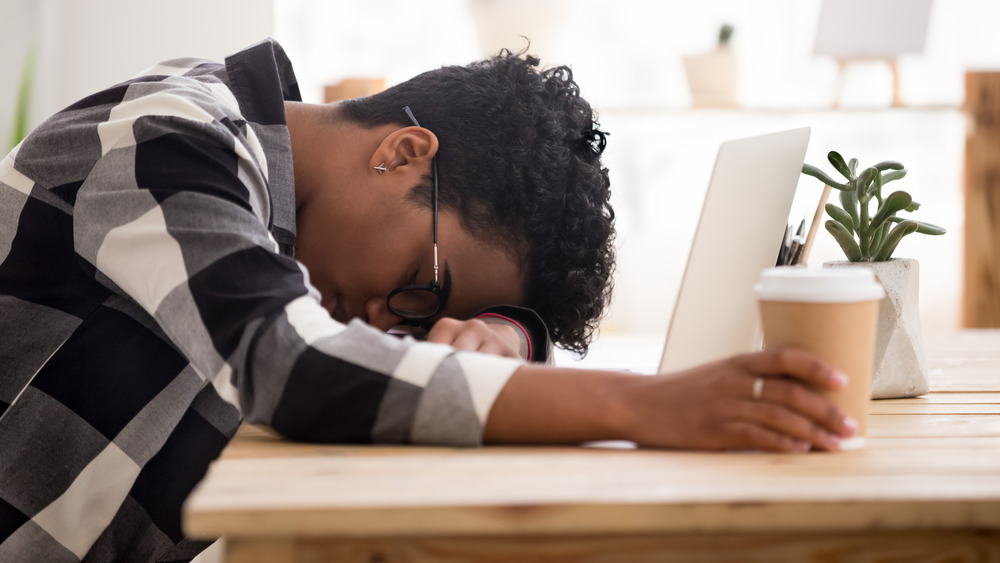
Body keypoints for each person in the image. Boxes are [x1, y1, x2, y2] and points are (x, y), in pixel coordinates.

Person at [0, 39, 856, 561]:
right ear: (403, 151)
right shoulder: (168, 140)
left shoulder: (289, 225)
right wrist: (642, 403)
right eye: (424, 286)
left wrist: (502, 330)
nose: (387, 322)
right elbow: (285, 362)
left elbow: (444, 338)